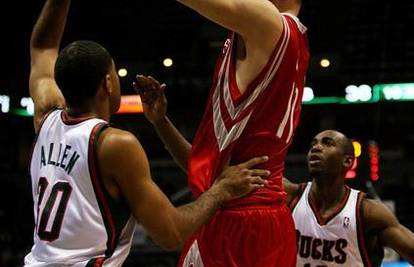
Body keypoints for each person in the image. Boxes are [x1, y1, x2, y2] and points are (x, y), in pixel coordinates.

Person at [24, 0, 271, 266]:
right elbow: (171, 233)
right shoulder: (113, 144)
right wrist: (222, 189)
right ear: (108, 83)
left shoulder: (45, 117)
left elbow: (42, 48)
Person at [136, 0, 310, 265]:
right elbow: (209, 171)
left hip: (241, 219)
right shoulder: (283, 37)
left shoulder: (268, 22)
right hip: (250, 215)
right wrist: (161, 122)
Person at [284, 130, 414, 266]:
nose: (316, 147)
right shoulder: (288, 196)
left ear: (347, 161)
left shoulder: (368, 212)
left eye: (327, 143)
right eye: (313, 144)